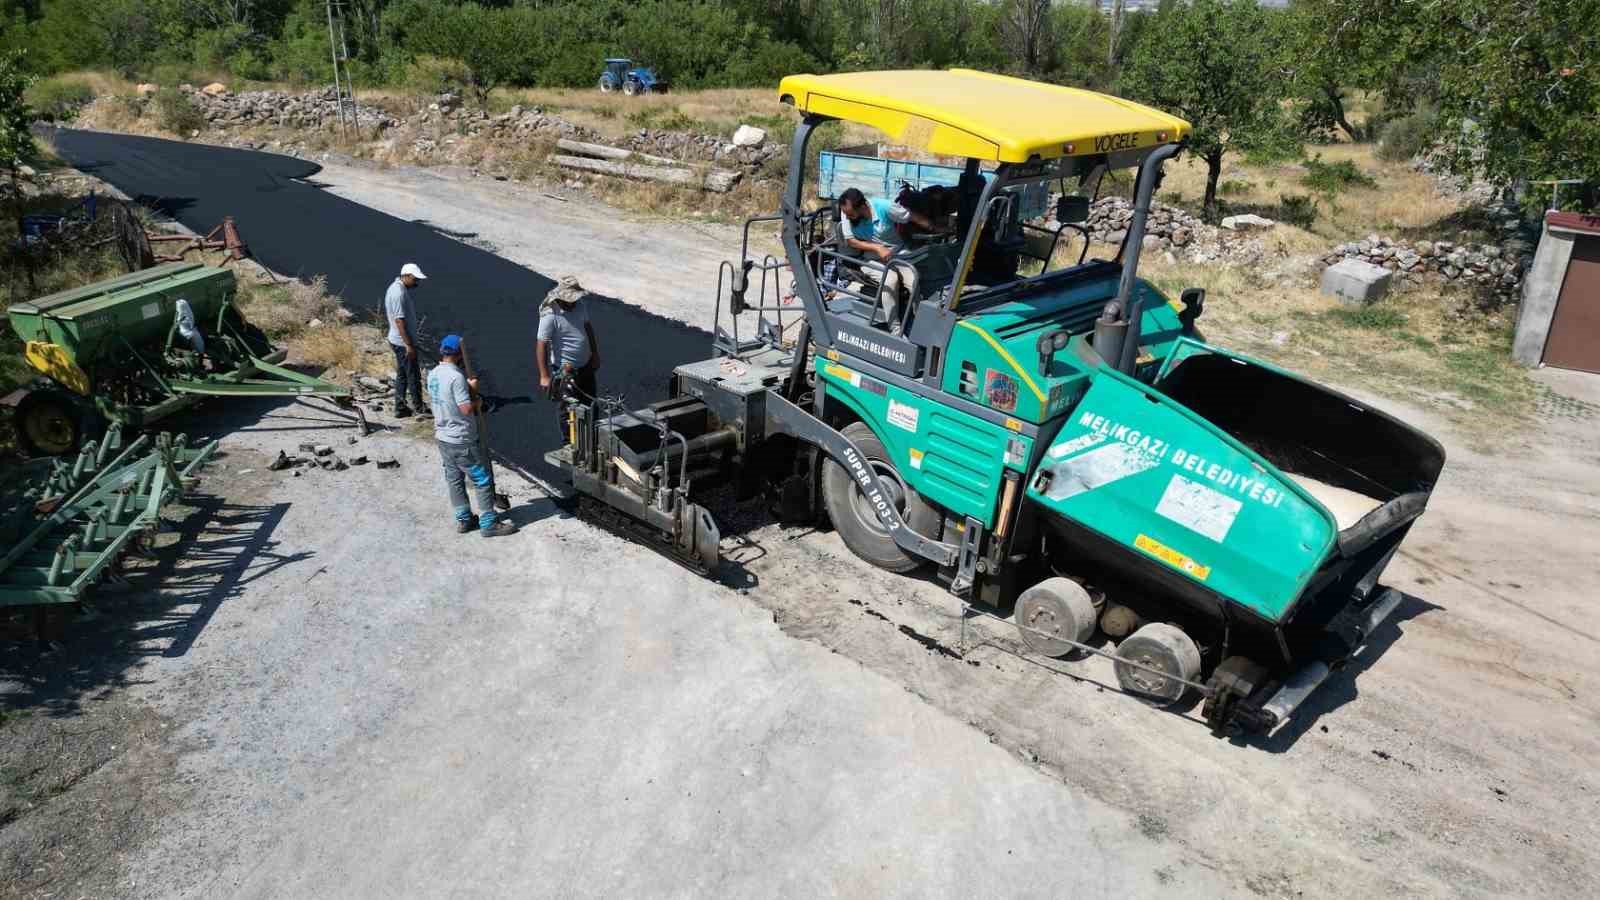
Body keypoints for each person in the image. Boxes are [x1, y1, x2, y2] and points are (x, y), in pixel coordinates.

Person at [429, 334, 518, 537]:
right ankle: (488, 523)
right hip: (462, 440)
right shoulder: (456, 377)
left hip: (443, 437)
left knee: (454, 479)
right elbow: (466, 408)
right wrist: (476, 397)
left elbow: (446, 398)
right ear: (459, 355)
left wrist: (469, 388)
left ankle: (464, 519)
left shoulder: (433, 374)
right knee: (481, 479)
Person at [835, 188, 941, 332]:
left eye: (851, 214)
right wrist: (877, 248)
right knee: (890, 280)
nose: (847, 217)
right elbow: (851, 241)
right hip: (872, 258)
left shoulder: (884, 207)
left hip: (898, 253)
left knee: (913, 280)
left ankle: (920, 324)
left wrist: (934, 228)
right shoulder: (846, 212)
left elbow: (910, 216)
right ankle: (895, 329)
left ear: (862, 206)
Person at [536, 277, 601, 441]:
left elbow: (588, 328)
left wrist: (595, 354)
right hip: (566, 372)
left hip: (586, 366)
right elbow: (541, 345)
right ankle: (569, 442)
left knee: (591, 402)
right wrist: (544, 376)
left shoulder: (580, 306)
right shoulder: (550, 315)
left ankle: (593, 437)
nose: (574, 302)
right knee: (568, 409)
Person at [385, 262, 428, 418]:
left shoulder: (399, 288)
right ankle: (419, 408)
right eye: (415, 279)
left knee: (403, 374)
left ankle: (400, 408)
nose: (417, 282)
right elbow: (399, 321)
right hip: (402, 343)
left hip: (399, 341)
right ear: (407, 276)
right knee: (413, 375)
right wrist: (409, 345)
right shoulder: (398, 293)